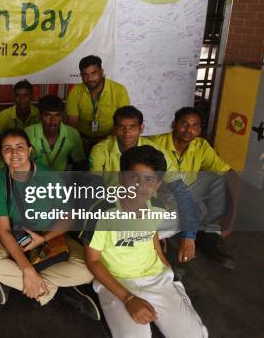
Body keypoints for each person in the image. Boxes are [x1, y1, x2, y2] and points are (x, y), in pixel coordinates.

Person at [84, 145, 208, 337]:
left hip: (156, 278)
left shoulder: (157, 207)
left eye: (149, 180)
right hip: (116, 282)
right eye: (133, 177)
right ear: (120, 177)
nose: (140, 186)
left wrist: (166, 266)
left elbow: (152, 235)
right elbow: (92, 260)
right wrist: (128, 299)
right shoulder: (102, 212)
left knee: (193, 335)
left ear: (158, 184)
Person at [0, 129, 99, 319]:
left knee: (88, 269)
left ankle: (13, 280)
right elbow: (4, 230)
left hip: (51, 235)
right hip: (18, 236)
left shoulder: (49, 176)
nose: (14, 153)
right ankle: (55, 289)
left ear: (30, 150)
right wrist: (27, 268)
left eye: (20, 147)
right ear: (1, 153)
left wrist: (43, 238)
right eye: (7, 148)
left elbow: (69, 216)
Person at [89, 106, 200, 266]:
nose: (127, 133)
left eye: (132, 127)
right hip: (114, 209)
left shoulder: (156, 152)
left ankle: (149, 243)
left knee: (186, 214)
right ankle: (144, 245)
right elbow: (94, 191)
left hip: (146, 210)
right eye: (121, 127)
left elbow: (181, 191)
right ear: (115, 129)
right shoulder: (100, 150)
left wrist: (189, 236)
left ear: (142, 128)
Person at [150, 107, 239, 269]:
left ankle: (210, 234)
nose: (189, 130)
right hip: (160, 196)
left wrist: (231, 217)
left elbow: (230, 174)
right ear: (174, 124)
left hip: (187, 192)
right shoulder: (155, 144)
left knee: (219, 181)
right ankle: (159, 244)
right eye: (184, 124)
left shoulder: (201, 146)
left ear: (199, 130)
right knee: (195, 210)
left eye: (194, 126)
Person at [66, 55, 130, 151]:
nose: (90, 78)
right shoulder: (75, 91)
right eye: (85, 74)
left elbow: (123, 122)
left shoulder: (119, 90)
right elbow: (72, 124)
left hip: (111, 138)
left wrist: (105, 142)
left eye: (93, 73)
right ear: (81, 75)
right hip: (83, 139)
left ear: (101, 72)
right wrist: (79, 141)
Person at [25, 95, 87, 171]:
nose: (53, 121)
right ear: (40, 115)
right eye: (47, 115)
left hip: (61, 179)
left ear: (62, 115)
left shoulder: (72, 133)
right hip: (34, 179)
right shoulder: (27, 133)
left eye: (57, 115)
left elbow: (80, 165)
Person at [0, 80, 40, 146]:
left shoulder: (39, 113)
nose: (21, 99)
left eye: (25, 95)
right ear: (14, 97)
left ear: (32, 97)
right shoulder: (5, 114)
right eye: (18, 95)